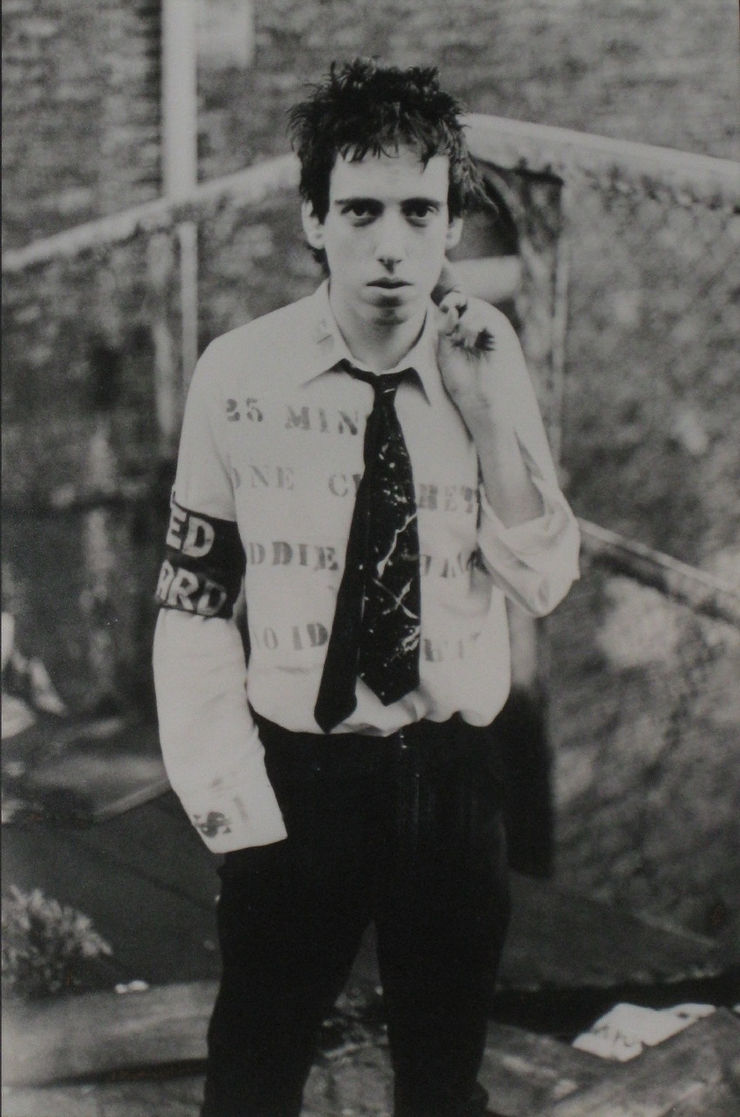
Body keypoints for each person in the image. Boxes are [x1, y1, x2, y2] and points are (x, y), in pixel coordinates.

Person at [153, 58, 580, 1117]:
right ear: (312, 218)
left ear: (448, 226)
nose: (389, 243)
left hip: (447, 772)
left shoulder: (484, 352)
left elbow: (542, 579)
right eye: (359, 210)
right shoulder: (237, 374)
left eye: (417, 211)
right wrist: (228, 800)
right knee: (253, 1064)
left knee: (442, 1078)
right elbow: (195, 601)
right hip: (299, 771)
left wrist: (486, 416)